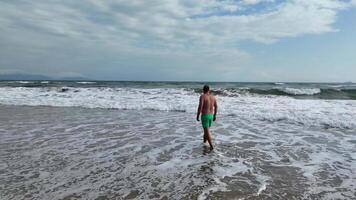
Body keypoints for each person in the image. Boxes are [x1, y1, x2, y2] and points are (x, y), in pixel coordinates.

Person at [196, 85, 217, 150]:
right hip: (211, 115)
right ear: (209, 90)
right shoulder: (213, 97)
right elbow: (216, 106)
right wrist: (214, 115)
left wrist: (197, 115)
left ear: (203, 90)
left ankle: (211, 146)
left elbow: (200, 106)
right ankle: (204, 143)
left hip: (205, 116)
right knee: (206, 131)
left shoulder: (202, 96)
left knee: (207, 131)